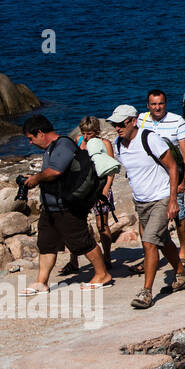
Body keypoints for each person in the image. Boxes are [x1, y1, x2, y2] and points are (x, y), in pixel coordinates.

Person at [108, 105, 185, 308]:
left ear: (133, 121)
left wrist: (173, 199)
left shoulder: (149, 138)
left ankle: (146, 292)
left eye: (121, 124)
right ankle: (181, 273)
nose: (117, 128)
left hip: (161, 198)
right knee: (162, 240)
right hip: (141, 201)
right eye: (114, 124)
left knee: (149, 242)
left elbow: (172, 166)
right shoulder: (118, 144)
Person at [20, 116, 113, 293]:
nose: (30, 143)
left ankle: (102, 274)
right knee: (46, 244)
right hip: (51, 208)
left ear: (40, 133)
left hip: (66, 207)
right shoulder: (50, 149)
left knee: (82, 242)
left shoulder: (62, 145)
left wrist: (36, 178)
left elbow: (55, 171)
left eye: (31, 138)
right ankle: (42, 281)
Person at [139, 89, 185, 266]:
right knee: (145, 217)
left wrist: (183, 180)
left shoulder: (177, 121)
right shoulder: (141, 120)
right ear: (148, 105)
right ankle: (150, 252)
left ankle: (183, 249)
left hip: (172, 177)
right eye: (153, 104)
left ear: (166, 104)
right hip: (149, 180)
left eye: (160, 103)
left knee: (179, 214)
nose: (157, 107)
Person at [63, 116, 119, 275]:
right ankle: (74, 260)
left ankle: (107, 257)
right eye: (84, 133)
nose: (87, 137)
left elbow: (110, 168)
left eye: (90, 133)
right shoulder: (78, 141)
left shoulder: (105, 143)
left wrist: (106, 188)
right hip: (82, 188)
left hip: (100, 187)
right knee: (76, 224)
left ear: (97, 132)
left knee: (102, 224)